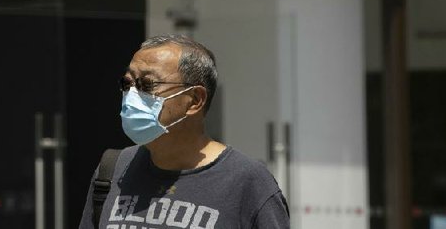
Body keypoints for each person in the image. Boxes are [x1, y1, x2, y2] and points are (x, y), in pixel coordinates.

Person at [78, 34, 290, 229]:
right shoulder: (113, 170)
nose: (131, 94)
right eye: (127, 83)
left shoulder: (247, 182)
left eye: (147, 84)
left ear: (195, 100)